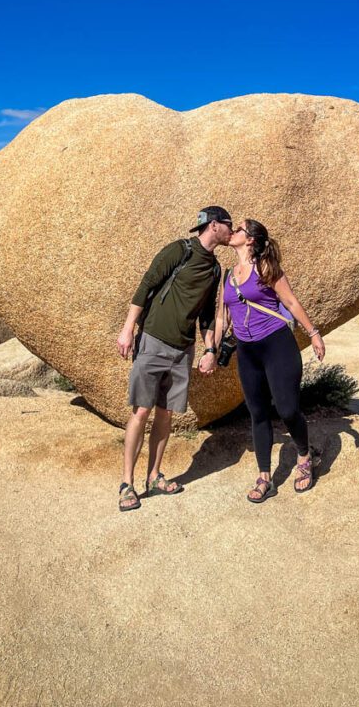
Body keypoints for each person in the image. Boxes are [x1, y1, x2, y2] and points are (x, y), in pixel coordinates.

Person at [115, 206, 233, 511]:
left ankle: (154, 476)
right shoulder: (179, 251)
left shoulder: (215, 268)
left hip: (183, 350)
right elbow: (146, 286)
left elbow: (207, 316)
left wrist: (210, 350)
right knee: (141, 412)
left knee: (166, 415)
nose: (231, 231)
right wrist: (128, 329)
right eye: (228, 225)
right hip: (153, 341)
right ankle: (127, 483)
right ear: (215, 226)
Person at [209, 218, 325, 502]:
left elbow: (291, 302)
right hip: (248, 352)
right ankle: (264, 477)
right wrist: (211, 350)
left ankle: (304, 455)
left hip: (277, 345)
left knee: (287, 410)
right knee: (257, 413)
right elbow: (223, 316)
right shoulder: (228, 275)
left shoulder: (265, 268)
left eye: (239, 229)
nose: (233, 231)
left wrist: (313, 333)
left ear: (250, 239)